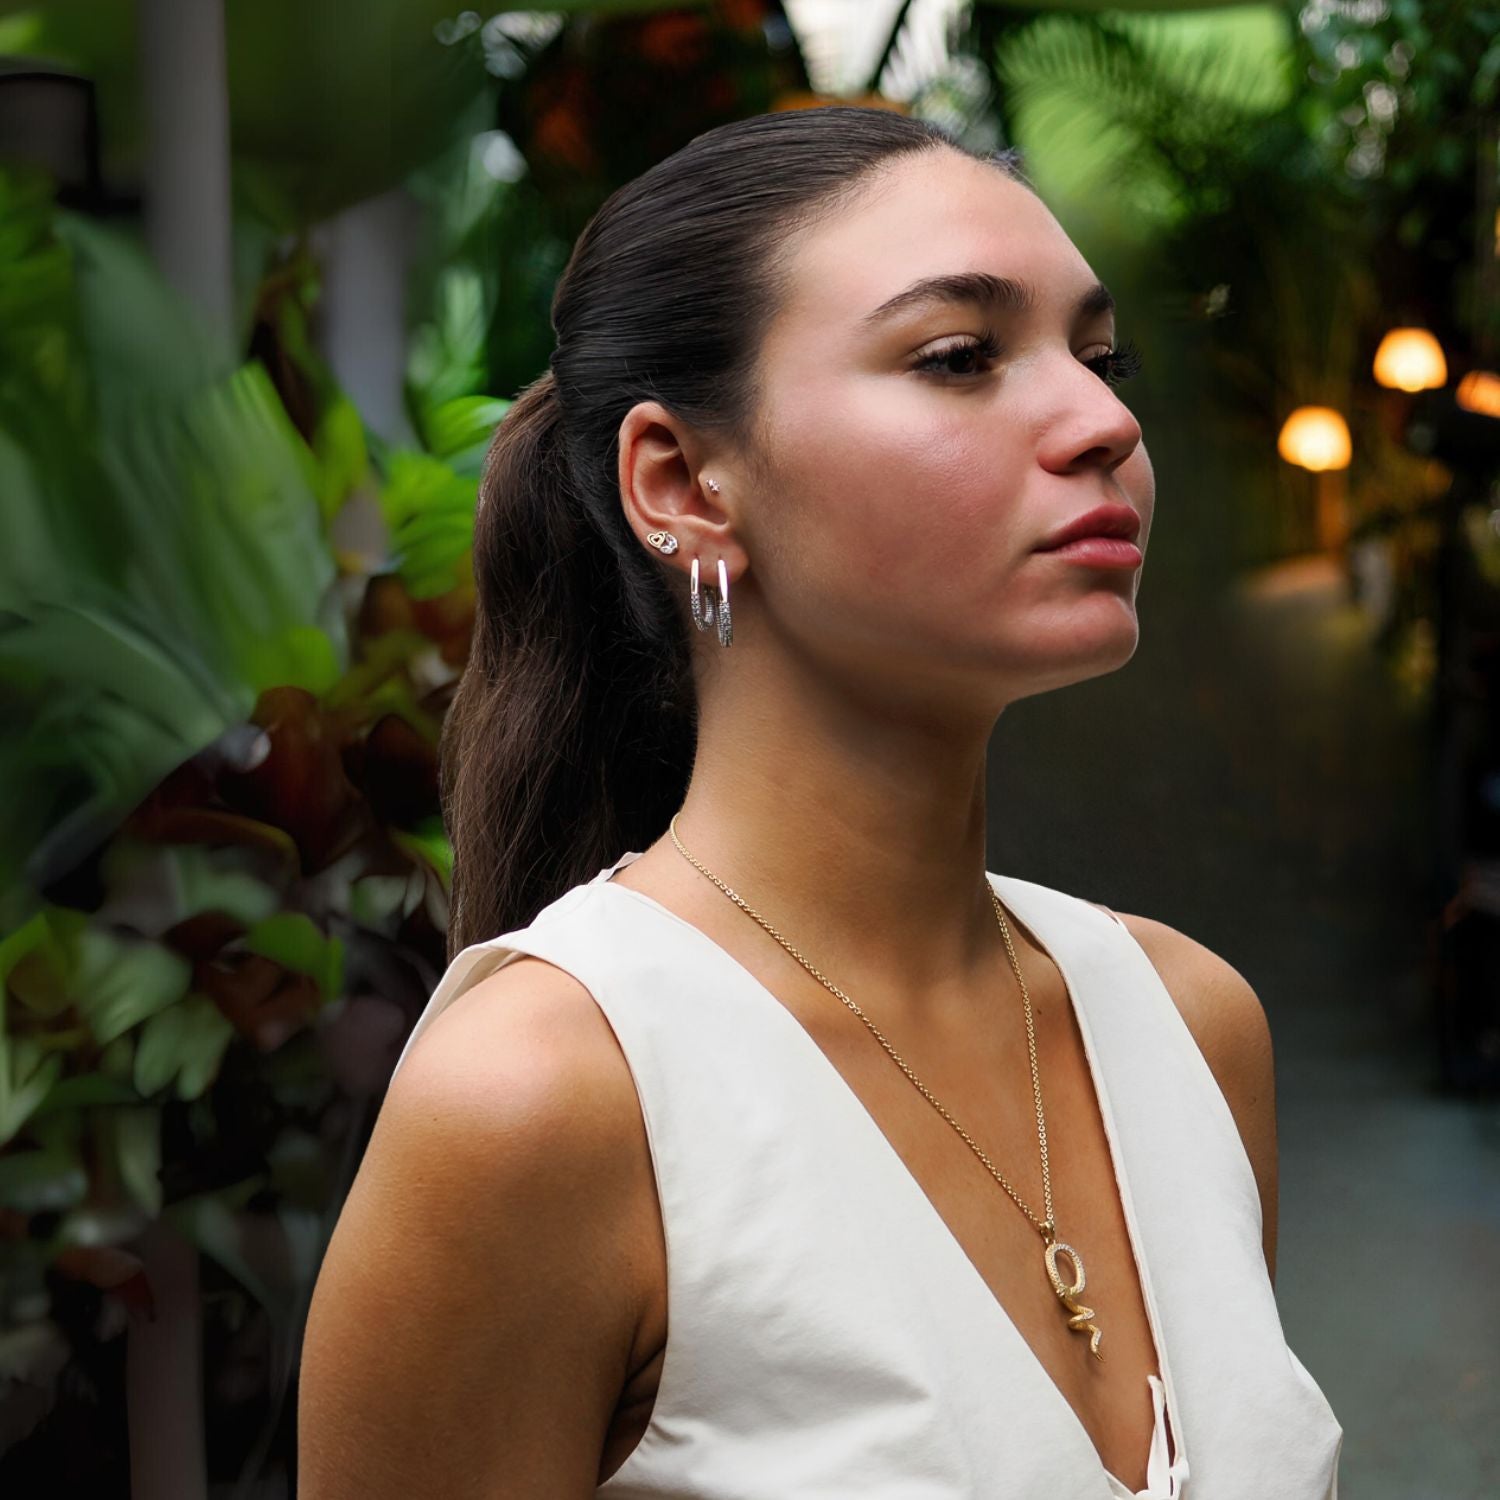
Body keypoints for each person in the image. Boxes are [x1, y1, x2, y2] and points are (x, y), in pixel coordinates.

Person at [298, 105, 1344, 1498]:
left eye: (1102, 359)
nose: (1102, 423)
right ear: (683, 483)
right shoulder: (547, 1096)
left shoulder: (1187, 1022)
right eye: (959, 357)